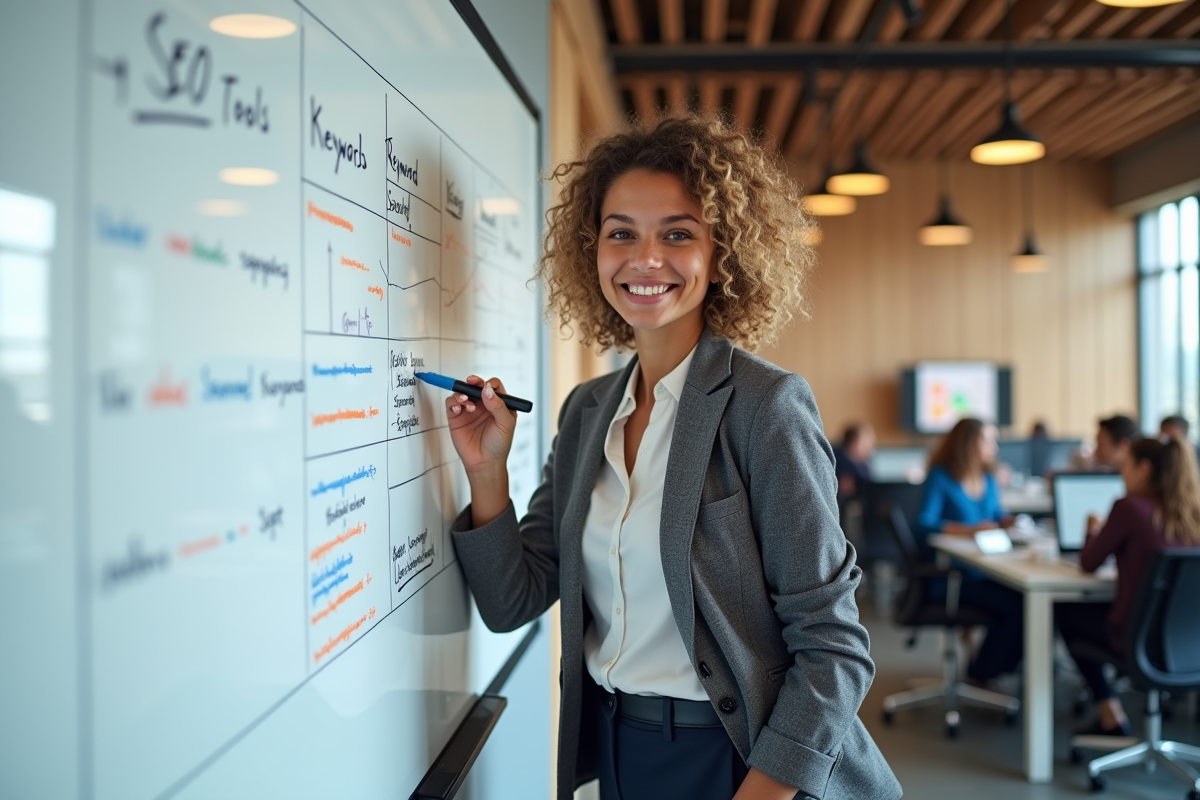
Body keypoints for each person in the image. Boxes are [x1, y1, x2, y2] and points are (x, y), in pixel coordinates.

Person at [442, 115, 900, 800]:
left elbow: (834, 649)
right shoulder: (587, 410)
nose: (644, 259)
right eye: (621, 232)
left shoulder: (765, 406)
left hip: (746, 761)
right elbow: (515, 600)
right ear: (590, 248)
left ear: (722, 256)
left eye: (678, 234)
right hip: (621, 753)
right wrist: (486, 470)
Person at [1056, 435, 1200, 736]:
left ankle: (1109, 712)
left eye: (1126, 466)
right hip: (1190, 645)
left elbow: (1089, 562)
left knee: (1066, 611)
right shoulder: (1194, 513)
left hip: (1139, 640)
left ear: (1143, 469)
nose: (1121, 474)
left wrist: (1092, 530)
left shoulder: (1130, 507)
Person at [914, 418, 1023, 683]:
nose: (994, 447)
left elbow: (996, 513)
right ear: (969, 443)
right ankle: (982, 673)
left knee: (1022, 599)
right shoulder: (941, 477)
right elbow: (923, 525)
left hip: (987, 571)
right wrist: (971, 530)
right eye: (988, 440)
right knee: (1016, 607)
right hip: (952, 577)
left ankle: (995, 668)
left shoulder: (987, 478)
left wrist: (1009, 520)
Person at [834, 422, 875, 502]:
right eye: (866, 441)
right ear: (853, 440)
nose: (870, 446)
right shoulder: (835, 459)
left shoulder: (864, 467)